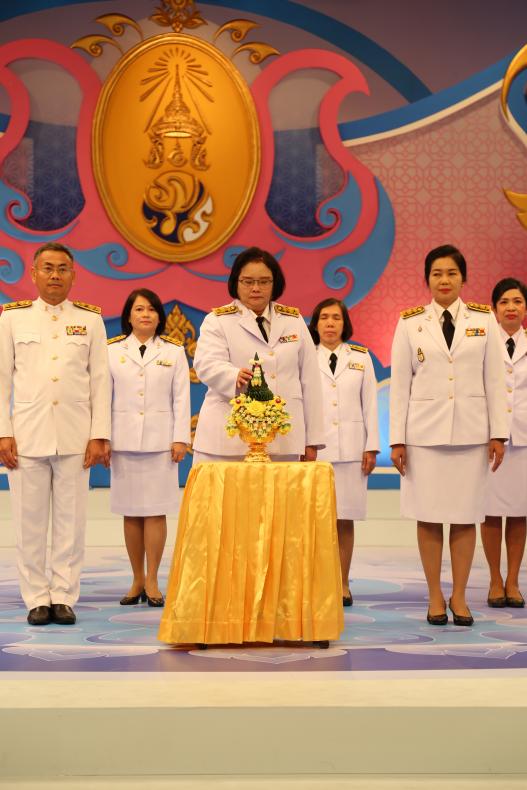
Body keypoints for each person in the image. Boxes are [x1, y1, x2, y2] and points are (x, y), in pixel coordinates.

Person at [389, 245, 508, 626]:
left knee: (464, 517)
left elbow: (495, 379)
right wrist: (397, 439)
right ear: (427, 279)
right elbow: (400, 386)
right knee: (428, 518)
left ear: (463, 278)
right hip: (423, 436)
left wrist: (498, 433)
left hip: (471, 434)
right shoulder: (410, 323)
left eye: (452, 273)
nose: (444, 280)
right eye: (437, 273)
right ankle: (434, 595)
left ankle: (459, 595)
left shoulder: (483, 320)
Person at [0, 242, 111, 626]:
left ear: (73, 275)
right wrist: (3, 432)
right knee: (28, 521)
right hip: (26, 434)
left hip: (75, 434)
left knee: (71, 520)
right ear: (33, 274)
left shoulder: (90, 320)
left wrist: (99, 434)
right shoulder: (13, 318)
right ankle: (36, 597)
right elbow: (1, 379)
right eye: (47, 268)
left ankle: (63, 595)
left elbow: (100, 381)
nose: (54, 275)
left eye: (62, 268)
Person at [192, 247, 324, 462]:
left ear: (275, 284)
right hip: (229, 438)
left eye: (264, 282)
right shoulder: (217, 320)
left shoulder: (293, 320)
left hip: (285, 437)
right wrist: (233, 375)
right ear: (236, 282)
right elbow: (206, 364)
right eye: (247, 281)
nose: (255, 288)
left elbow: (310, 381)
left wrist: (312, 440)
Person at [107, 289, 190, 607]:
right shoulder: (112, 350)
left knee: (155, 512)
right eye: (139, 309)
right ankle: (136, 579)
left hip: (160, 442)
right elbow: (103, 397)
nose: (145, 314)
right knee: (130, 512)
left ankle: (153, 579)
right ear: (128, 316)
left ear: (159, 316)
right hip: (123, 441)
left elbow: (181, 398)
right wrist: (103, 438)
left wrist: (180, 437)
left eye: (152, 309)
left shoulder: (174, 351)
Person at [309, 298, 379, 606]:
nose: (330, 323)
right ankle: (317, 583)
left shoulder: (361, 358)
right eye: (324, 317)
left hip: (352, 450)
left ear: (344, 323)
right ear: (315, 324)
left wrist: (371, 446)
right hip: (316, 451)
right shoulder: (306, 357)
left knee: (344, 519)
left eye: (336, 318)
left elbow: (370, 404)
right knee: (315, 521)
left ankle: (342, 582)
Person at [481, 277, 527, 608]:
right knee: (492, 511)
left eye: (517, 301)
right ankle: (495, 579)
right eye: (504, 302)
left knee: (520, 511)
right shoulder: (483, 344)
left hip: (525, 438)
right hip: (490, 439)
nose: (511, 307)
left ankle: (513, 580)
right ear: (494, 309)